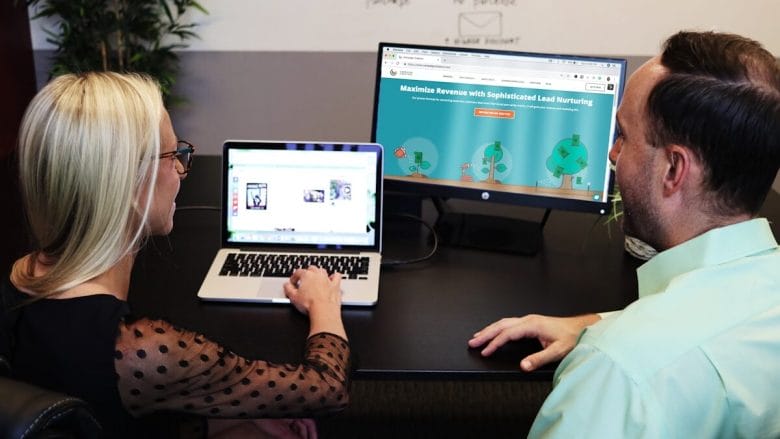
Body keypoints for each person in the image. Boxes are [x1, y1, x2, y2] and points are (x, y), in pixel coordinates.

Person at [0, 72, 350, 438]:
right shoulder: (144, 350)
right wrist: (324, 305)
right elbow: (328, 390)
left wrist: (229, 404)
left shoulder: (21, 275)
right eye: (173, 155)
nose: (182, 170)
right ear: (129, 182)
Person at [469, 30, 780, 437]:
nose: (612, 154)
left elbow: (653, 357)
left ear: (673, 170)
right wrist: (597, 322)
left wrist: (613, 340)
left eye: (624, 136)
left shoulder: (616, 373)